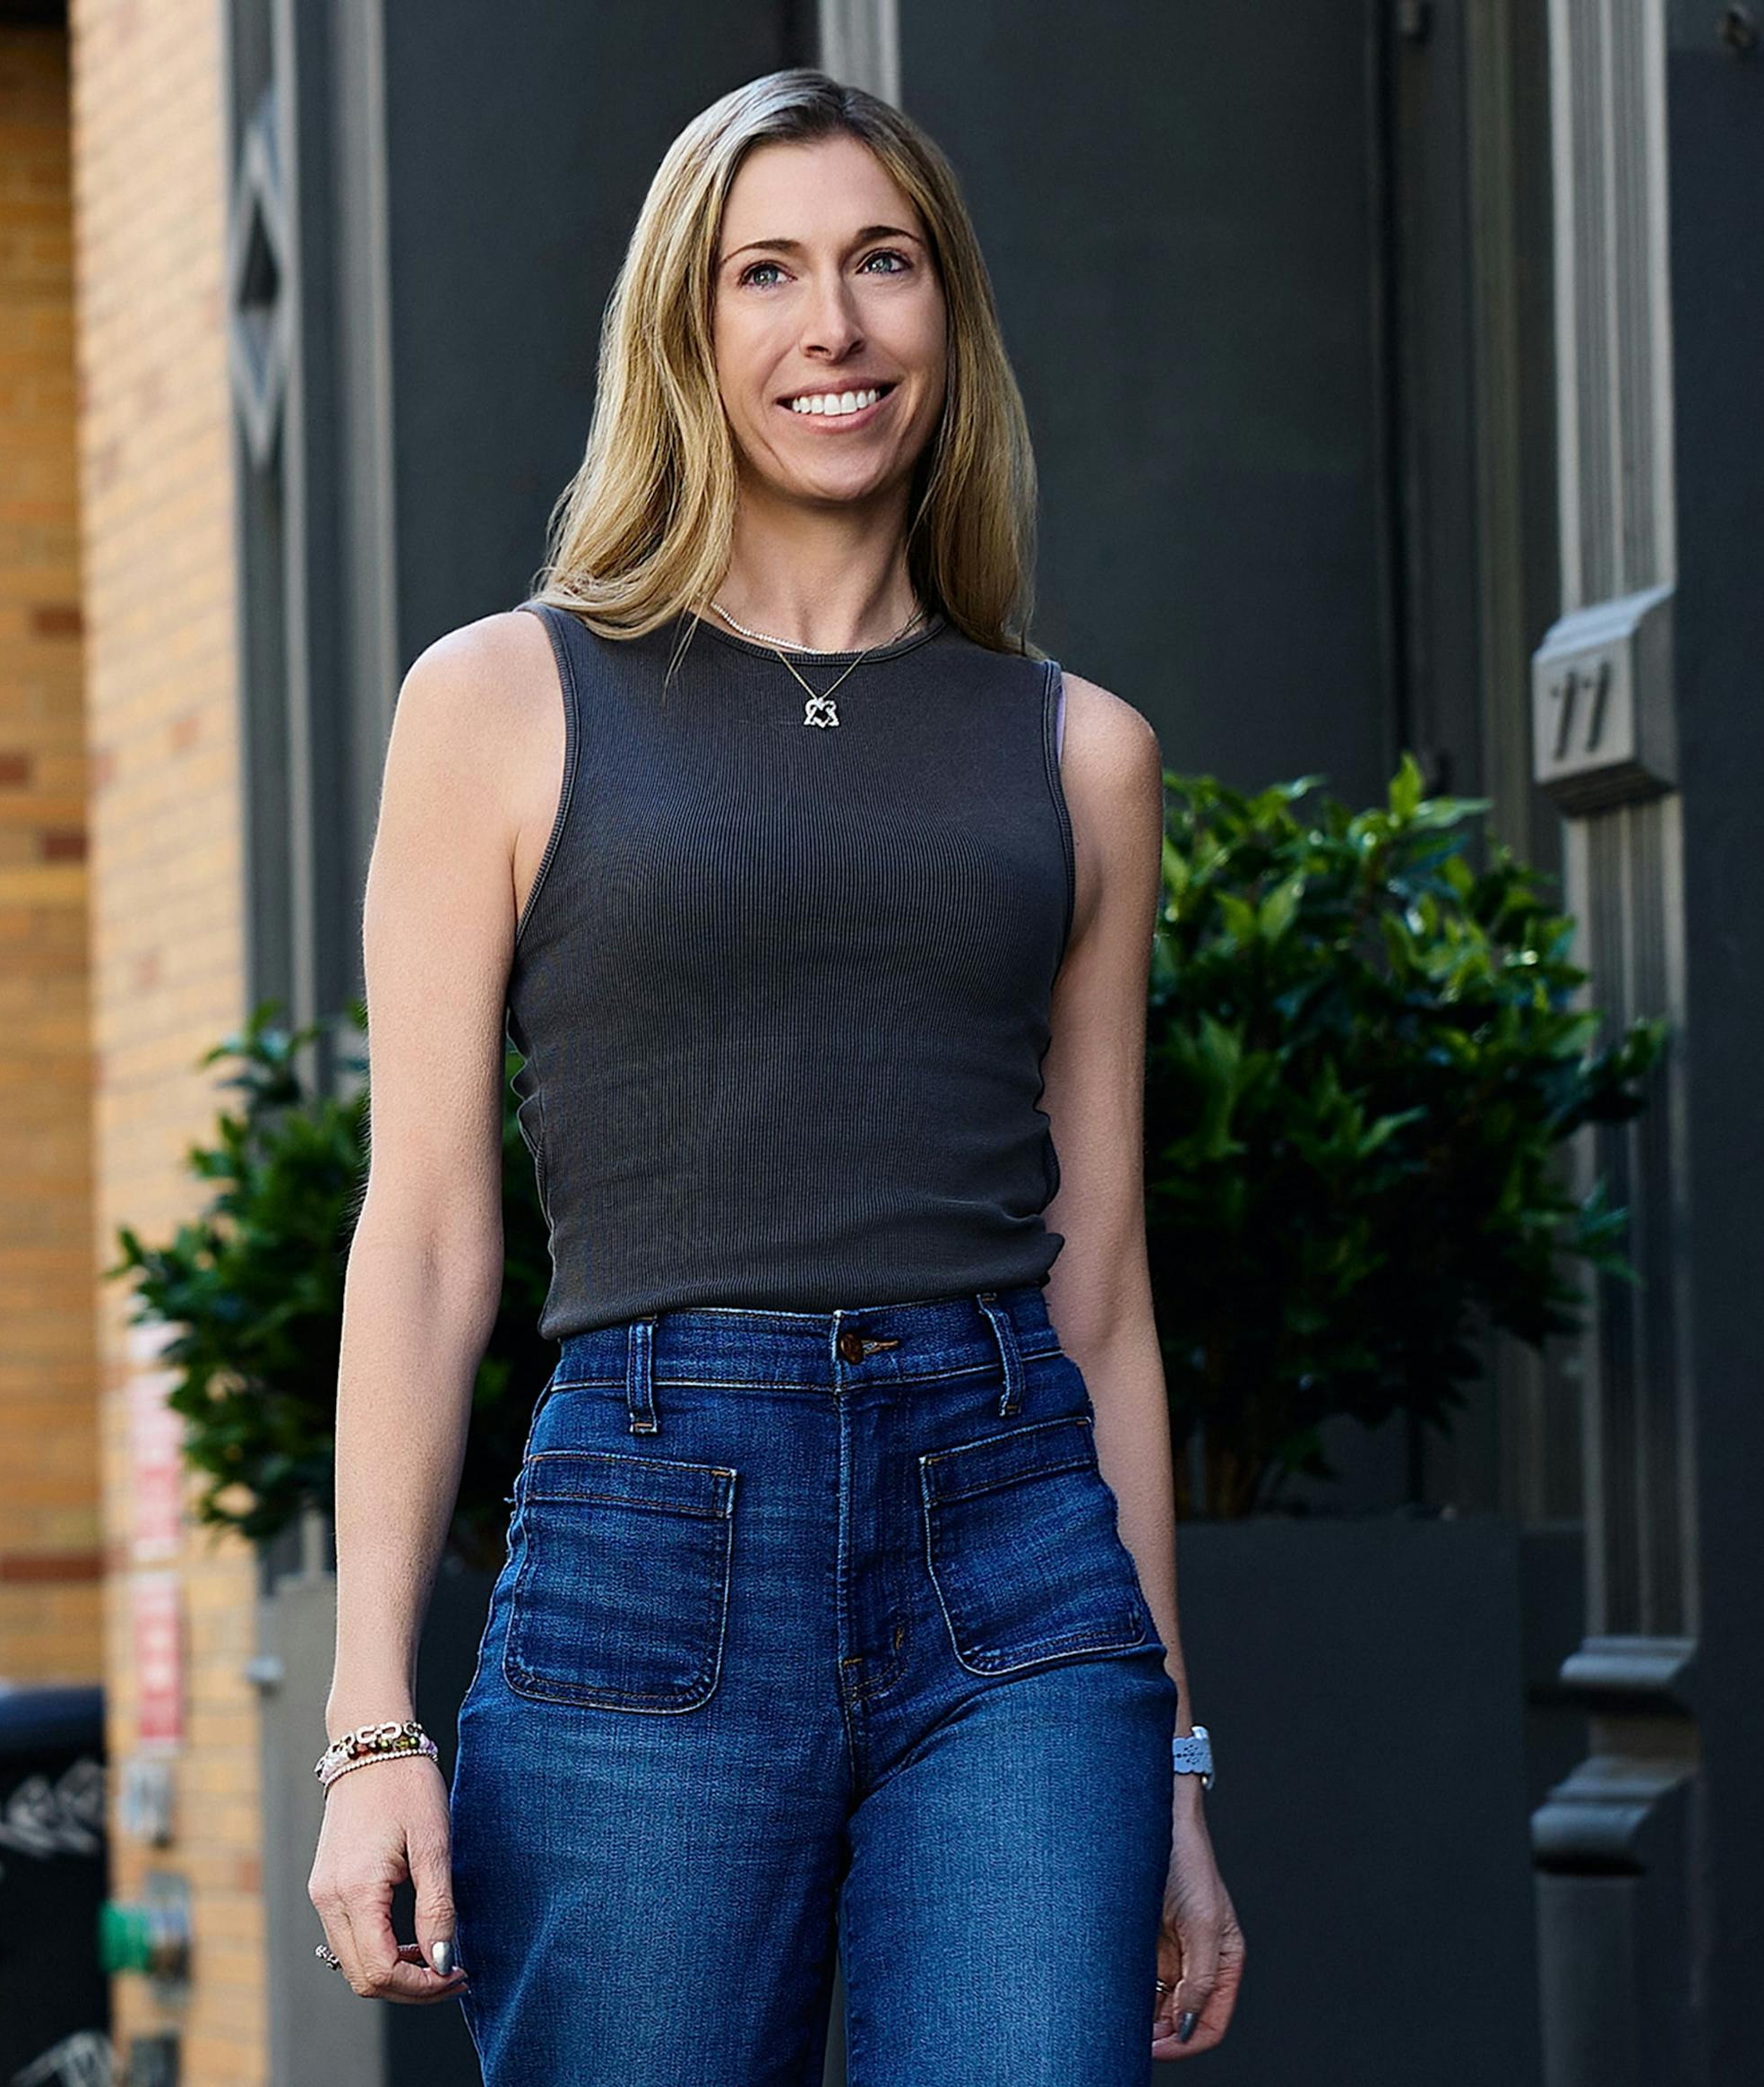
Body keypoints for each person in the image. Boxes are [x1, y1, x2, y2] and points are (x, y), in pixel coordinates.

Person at [306, 65, 1244, 2083]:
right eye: (767, 273)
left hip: (1016, 1564)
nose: (833, 324)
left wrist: (1171, 1761)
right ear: (686, 326)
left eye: (881, 264)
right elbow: (429, 1231)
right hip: (645, 1546)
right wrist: (370, 1722)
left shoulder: (1082, 752)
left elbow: (1100, 1286)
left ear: (946, 314)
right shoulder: (501, 700)